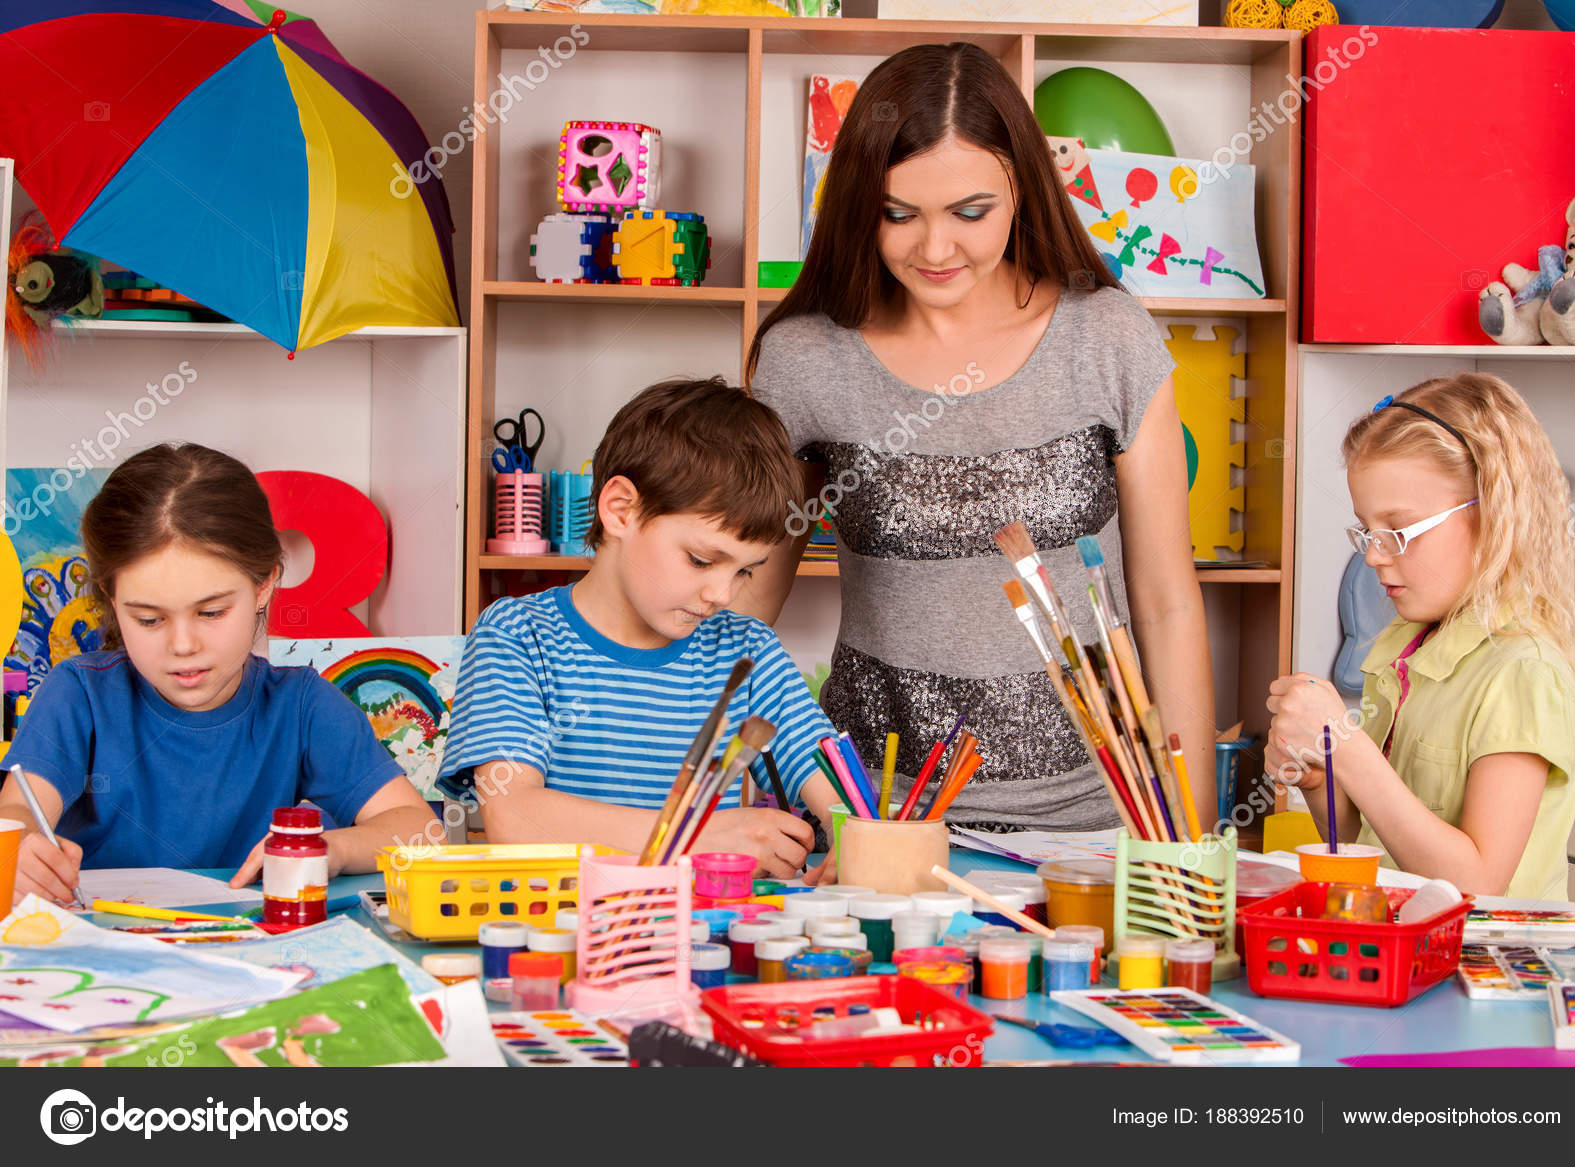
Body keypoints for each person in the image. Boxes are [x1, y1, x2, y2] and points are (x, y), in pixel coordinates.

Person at [745, 42, 1214, 831]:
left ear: (1023, 190)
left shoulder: (1108, 336)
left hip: (1095, 818)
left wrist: (1186, 836)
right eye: (898, 214)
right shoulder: (804, 358)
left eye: (970, 213)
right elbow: (744, 607)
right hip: (873, 816)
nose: (935, 249)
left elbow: (1167, 603)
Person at [0, 443, 436, 906]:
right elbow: (17, 807)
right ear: (110, 596)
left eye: (211, 612)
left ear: (264, 583)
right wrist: (21, 844)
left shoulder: (303, 706)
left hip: (255, 958)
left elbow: (419, 830)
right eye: (149, 619)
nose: (183, 645)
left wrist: (330, 849)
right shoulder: (79, 694)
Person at [438, 378, 839, 878]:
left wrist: (857, 837)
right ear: (620, 510)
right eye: (700, 559)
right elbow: (515, 818)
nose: (722, 594)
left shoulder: (748, 651)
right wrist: (699, 836)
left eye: (743, 571)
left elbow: (835, 791)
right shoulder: (518, 635)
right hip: (564, 931)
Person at [1266, 375, 1575, 898]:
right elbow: (1375, 841)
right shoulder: (1404, 647)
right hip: (1405, 951)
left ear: (1494, 516)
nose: (1373, 554)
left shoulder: (1523, 672)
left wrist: (1345, 746)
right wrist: (1323, 779)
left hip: (1487, 964)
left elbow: (1477, 882)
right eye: (1367, 531)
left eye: (1397, 530)